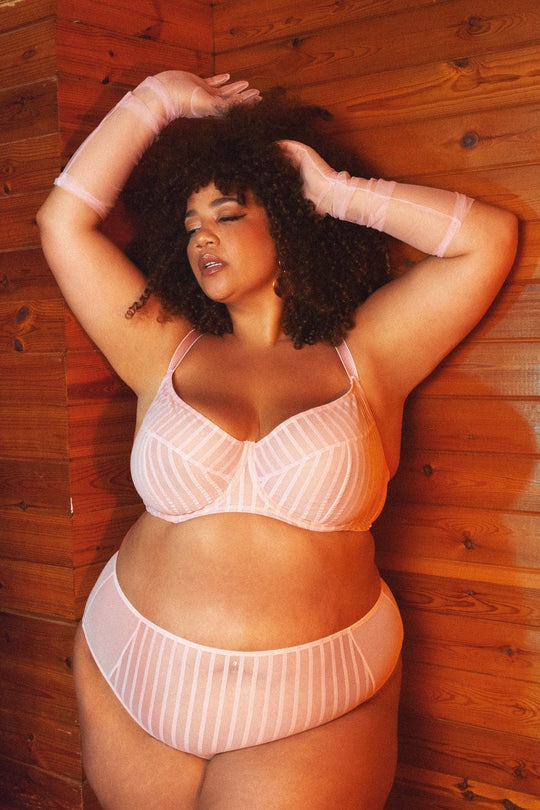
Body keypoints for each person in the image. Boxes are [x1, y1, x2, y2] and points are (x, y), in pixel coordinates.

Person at [36, 71, 517, 809]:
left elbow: (488, 242)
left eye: (227, 213)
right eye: (190, 224)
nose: (202, 236)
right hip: (132, 665)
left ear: (290, 223)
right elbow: (62, 223)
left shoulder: (370, 354)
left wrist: (337, 192)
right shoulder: (160, 346)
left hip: (315, 699)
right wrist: (157, 99)